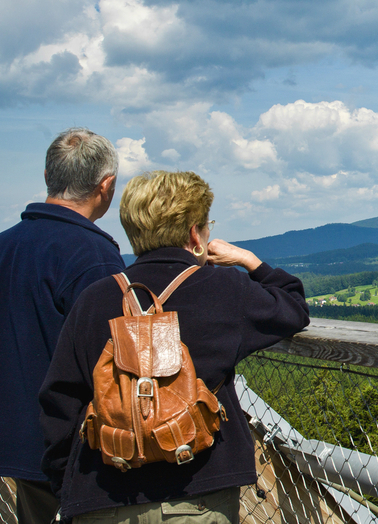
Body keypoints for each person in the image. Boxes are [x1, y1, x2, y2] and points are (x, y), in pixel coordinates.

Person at [40, 170, 310, 523]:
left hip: (104, 494)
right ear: (194, 233)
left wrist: (68, 486)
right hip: (197, 494)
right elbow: (293, 307)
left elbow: (59, 402)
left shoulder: (94, 299)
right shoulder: (224, 289)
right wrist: (247, 260)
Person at [0, 128, 125, 524]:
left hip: (16, 436)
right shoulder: (94, 256)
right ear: (105, 186)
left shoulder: (6, 246)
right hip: (77, 444)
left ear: (47, 176)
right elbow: (115, 354)